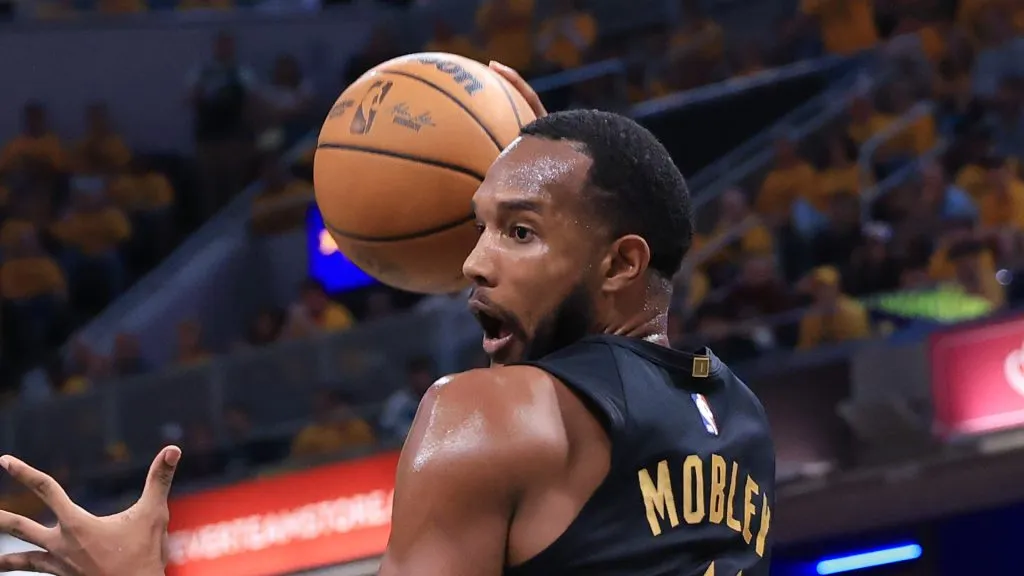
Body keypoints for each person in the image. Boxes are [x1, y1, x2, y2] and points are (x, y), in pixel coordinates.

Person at [0, 63, 776, 576]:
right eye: (480, 226)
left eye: (519, 232)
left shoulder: (488, 414)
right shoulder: (742, 422)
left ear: (619, 264)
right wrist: (551, 163)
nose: (472, 263)